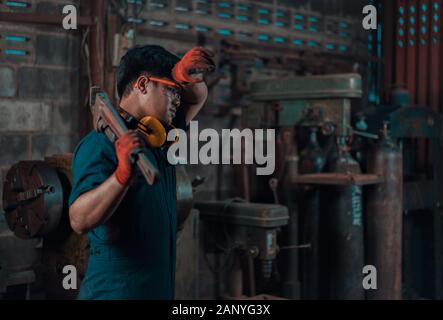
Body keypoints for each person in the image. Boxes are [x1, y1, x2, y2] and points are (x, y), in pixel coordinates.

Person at [68, 45, 215, 299]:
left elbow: (199, 94)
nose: (178, 100)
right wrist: (120, 177)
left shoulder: (160, 139)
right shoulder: (99, 145)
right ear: (143, 84)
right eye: (171, 90)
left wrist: (179, 75)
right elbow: (78, 219)